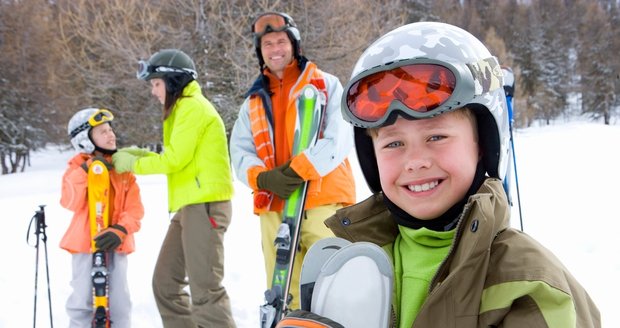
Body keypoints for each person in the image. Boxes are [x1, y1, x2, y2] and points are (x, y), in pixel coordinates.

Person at [318, 22, 600, 327]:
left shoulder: (528, 284)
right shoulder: (352, 264)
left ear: (483, 145)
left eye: (436, 137)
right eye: (394, 143)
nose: (414, 161)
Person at [229, 12, 356, 310]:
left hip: (322, 202)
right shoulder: (254, 100)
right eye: (267, 44)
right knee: (284, 291)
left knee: (331, 287)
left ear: (294, 45)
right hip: (275, 205)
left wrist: (297, 170)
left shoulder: (325, 85)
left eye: (281, 42)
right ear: (260, 52)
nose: (275, 49)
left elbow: (338, 139)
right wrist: (263, 178)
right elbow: (239, 150)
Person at [111, 49, 236, 327]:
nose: (154, 91)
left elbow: (174, 160)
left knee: (205, 292)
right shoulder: (182, 108)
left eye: (156, 84)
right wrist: (138, 154)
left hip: (206, 206)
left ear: (173, 81)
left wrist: (133, 163)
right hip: (189, 207)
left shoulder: (192, 107)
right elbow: (181, 157)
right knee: (165, 284)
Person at [60, 108, 144, 328]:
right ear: (84, 140)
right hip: (84, 245)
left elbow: (135, 210)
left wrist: (121, 229)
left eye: (110, 129)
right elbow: (69, 202)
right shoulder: (77, 168)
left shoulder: (123, 170)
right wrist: (86, 172)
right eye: (102, 132)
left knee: (120, 304)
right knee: (82, 300)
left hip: (116, 244)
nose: (111, 134)